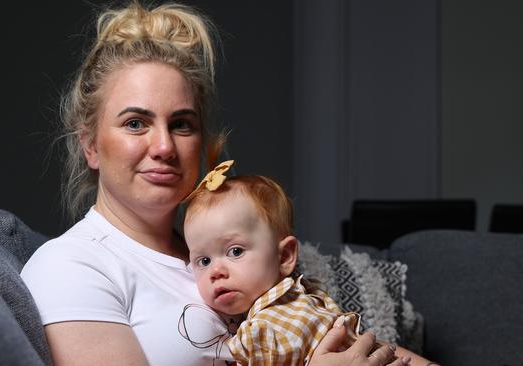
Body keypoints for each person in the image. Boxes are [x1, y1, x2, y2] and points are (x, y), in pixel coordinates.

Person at [21, 2, 410, 365]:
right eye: (135, 123)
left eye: (181, 124)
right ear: (90, 145)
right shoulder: (71, 266)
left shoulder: (226, 253)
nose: (164, 146)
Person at [182, 161, 436, 366]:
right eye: (203, 260)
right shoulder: (291, 305)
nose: (216, 271)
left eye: (235, 251)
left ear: (284, 257)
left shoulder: (269, 326)